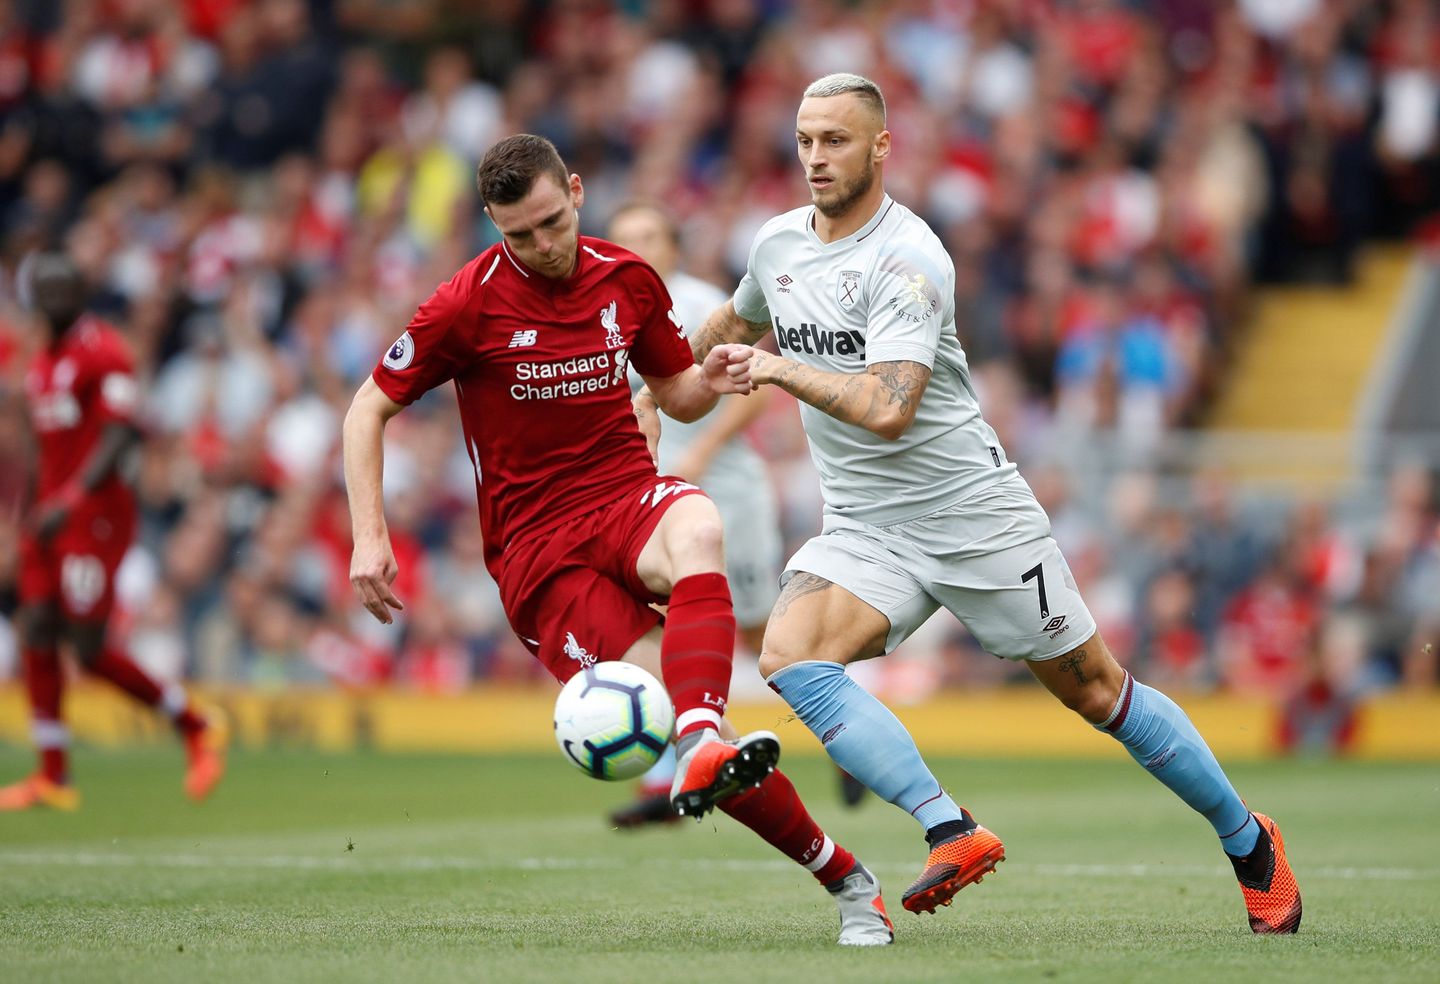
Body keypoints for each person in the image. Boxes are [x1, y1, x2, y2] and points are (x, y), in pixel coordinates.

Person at [690, 74, 1302, 935]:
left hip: (972, 513)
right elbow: (727, 327)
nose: (816, 157)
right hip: (867, 527)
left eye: (835, 140)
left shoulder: (910, 258)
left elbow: (890, 407)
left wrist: (779, 368)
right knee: (791, 656)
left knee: (1096, 693)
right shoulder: (778, 246)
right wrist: (664, 376)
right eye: (804, 140)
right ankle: (951, 828)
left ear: (880, 147)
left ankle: (1249, 842)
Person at [342, 134, 894, 946]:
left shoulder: (629, 279)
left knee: (699, 523)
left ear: (576, 191)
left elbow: (676, 393)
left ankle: (699, 736)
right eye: (517, 235)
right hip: (538, 552)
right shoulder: (468, 303)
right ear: (494, 227)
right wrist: (369, 537)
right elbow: (367, 409)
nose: (540, 247)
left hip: (623, 493)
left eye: (550, 223)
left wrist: (715, 378)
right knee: (681, 717)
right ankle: (846, 878)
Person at [0, 253, 227, 812]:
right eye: (44, 292)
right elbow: (37, 447)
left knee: (89, 647)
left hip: (94, 517)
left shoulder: (104, 352)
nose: (53, 302)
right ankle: (54, 775)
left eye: (63, 292)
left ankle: (195, 721)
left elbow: (119, 435)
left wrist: (72, 498)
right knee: (35, 625)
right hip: (46, 518)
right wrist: (21, 515)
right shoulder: (40, 357)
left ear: (81, 293)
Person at [603, 201, 783, 828]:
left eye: (649, 235)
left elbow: (757, 385)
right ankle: (671, 777)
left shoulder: (705, 302)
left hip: (727, 489)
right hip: (658, 502)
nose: (638, 248)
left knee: (766, 640)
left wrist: (702, 448)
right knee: (659, 628)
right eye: (626, 238)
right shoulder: (605, 311)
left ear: (674, 247)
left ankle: (840, 726)